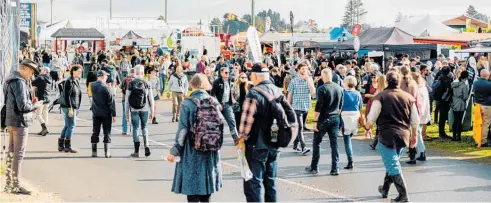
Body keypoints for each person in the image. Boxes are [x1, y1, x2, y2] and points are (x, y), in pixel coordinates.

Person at [168, 74, 224, 202]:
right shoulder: (214, 101)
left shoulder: (187, 103)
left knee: (192, 191)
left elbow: (183, 130)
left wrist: (175, 151)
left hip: (192, 151)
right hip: (210, 149)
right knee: (207, 191)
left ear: (192, 84)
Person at [365, 72, 419, 202]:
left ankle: (403, 195)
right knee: (392, 162)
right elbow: (415, 120)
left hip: (387, 135)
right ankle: (385, 189)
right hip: (403, 135)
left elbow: (371, 118)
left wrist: (367, 127)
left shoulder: (380, 97)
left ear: (387, 81)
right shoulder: (408, 97)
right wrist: (414, 135)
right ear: (399, 81)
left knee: (393, 164)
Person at [237, 63, 282, 202]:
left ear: (256, 76)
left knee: (253, 185)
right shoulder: (278, 91)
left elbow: (246, 121)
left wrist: (241, 140)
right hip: (275, 141)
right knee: (271, 183)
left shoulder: (254, 93)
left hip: (257, 143)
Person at [3, 59, 43, 195]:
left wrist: (29, 101)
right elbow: (23, 107)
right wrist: (35, 106)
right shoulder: (19, 82)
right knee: (18, 154)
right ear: (24, 68)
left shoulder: (10, 79)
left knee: (12, 153)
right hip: (20, 122)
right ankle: (15, 185)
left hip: (11, 120)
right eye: (31, 72)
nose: (31, 75)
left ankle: (9, 183)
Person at [306, 68, 344, 175]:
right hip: (335, 117)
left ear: (322, 77)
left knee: (317, 143)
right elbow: (340, 107)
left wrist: (314, 121)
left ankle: (314, 167)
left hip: (323, 118)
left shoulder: (322, 89)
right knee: (334, 144)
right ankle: (335, 168)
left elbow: (318, 107)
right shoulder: (340, 88)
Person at [125, 65, 155, 157]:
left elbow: (127, 99)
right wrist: (152, 111)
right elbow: (151, 98)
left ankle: (136, 151)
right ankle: (146, 146)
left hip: (134, 109)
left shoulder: (131, 83)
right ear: (142, 73)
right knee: (144, 127)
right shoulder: (147, 83)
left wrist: (126, 113)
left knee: (135, 128)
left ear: (135, 72)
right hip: (145, 109)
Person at [287, 63, 315, 155]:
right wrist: (287, 106)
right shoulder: (294, 81)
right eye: (302, 69)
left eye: (306, 69)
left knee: (301, 126)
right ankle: (304, 147)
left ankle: (295, 145)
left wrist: (308, 81)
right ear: (298, 70)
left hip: (306, 107)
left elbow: (313, 93)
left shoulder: (309, 80)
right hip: (296, 107)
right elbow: (289, 95)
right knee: (300, 127)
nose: (304, 71)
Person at [90, 71, 116, 158]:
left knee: (95, 131)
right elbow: (111, 102)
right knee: (107, 132)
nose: (107, 78)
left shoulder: (92, 85)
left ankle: (94, 151)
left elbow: (91, 97)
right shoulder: (107, 88)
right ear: (102, 77)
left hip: (96, 112)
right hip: (106, 113)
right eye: (106, 76)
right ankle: (107, 152)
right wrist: (114, 114)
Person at [58, 64, 83, 153]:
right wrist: (70, 109)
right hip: (69, 106)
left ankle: (61, 145)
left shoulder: (76, 80)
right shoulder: (69, 81)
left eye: (81, 71)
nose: (80, 73)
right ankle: (67, 146)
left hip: (72, 106)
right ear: (73, 71)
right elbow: (67, 96)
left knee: (67, 125)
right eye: (78, 71)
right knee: (71, 125)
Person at [211, 67, 239, 143]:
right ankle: (214, 140)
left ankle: (236, 139)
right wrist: (217, 104)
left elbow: (230, 90)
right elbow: (212, 95)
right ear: (221, 73)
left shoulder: (230, 80)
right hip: (218, 105)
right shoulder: (217, 82)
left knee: (232, 121)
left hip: (227, 104)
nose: (228, 74)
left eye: (228, 73)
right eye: (226, 73)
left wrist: (232, 99)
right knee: (217, 123)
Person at [408, 71, 431, 164]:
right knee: (418, 132)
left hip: (418, 113)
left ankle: (422, 152)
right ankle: (421, 152)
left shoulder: (417, 89)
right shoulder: (423, 87)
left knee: (417, 133)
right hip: (424, 113)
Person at [340, 76, 363, 170]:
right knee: (350, 136)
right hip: (355, 115)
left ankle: (350, 160)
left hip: (345, 116)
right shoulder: (357, 93)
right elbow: (360, 106)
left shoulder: (343, 93)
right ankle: (350, 159)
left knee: (347, 140)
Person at [434, 66, 454, 139]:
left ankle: (441, 132)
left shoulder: (438, 78)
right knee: (443, 117)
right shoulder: (447, 80)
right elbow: (448, 91)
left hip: (438, 99)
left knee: (441, 117)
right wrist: (447, 99)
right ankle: (442, 133)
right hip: (444, 100)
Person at [369, 75, 387, 150]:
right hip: (386, 111)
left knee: (379, 128)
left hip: (379, 111)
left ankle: (376, 143)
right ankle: (375, 143)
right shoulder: (386, 89)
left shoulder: (379, 90)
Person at [32, 67, 52, 136]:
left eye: (42, 70)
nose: (40, 71)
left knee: (38, 115)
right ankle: (44, 129)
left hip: (41, 99)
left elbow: (33, 83)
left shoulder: (40, 78)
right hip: (47, 98)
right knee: (45, 114)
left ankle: (44, 128)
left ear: (45, 71)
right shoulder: (50, 78)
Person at [473, 69, 491, 147]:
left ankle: (477, 139)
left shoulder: (475, 83)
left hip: (477, 105)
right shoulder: (489, 84)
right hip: (487, 105)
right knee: (485, 124)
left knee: (477, 123)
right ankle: (483, 141)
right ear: (487, 76)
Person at [451, 70, 469, 142]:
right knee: (459, 121)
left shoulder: (454, 84)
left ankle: (454, 135)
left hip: (454, 103)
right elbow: (465, 97)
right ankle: (458, 136)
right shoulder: (464, 85)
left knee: (455, 120)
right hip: (461, 104)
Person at [120, 69, 135, 135]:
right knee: (133, 114)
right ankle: (132, 130)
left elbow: (120, 87)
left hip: (124, 98)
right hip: (132, 99)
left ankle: (124, 130)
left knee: (124, 114)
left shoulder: (125, 79)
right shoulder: (135, 80)